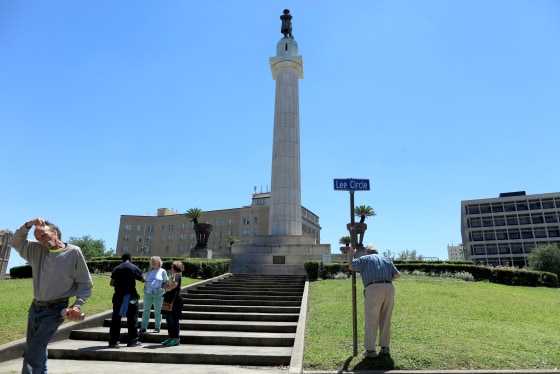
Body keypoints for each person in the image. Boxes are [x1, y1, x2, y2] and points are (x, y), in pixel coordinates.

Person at [10, 218, 93, 374]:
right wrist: (28, 225)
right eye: (38, 238)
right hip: (35, 307)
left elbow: (85, 282)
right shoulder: (36, 251)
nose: (41, 241)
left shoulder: (73, 252)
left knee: (33, 351)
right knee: (36, 347)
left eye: (43, 236)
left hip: (56, 309)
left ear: (55, 232)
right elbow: (15, 242)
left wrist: (78, 304)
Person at [348, 246, 400, 359]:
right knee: (386, 318)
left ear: (367, 251)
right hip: (389, 288)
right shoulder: (386, 259)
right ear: (377, 251)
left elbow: (351, 266)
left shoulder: (365, 258)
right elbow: (397, 275)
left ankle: (370, 350)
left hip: (373, 287)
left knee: (371, 319)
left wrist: (351, 254)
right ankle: (385, 348)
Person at [108, 253, 145, 347]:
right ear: (130, 258)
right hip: (131, 296)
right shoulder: (134, 267)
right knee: (132, 318)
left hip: (118, 296)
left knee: (116, 319)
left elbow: (112, 283)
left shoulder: (117, 268)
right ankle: (133, 341)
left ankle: (113, 341)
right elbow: (142, 280)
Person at [139, 256, 168, 334]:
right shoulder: (149, 271)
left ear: (159, 262)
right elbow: (145, 281)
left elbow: (165, 281)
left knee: (158, 311)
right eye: (152, 261)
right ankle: (143, 327)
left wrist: (164, 289)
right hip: (147, 293)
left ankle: (157, 327)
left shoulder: (162, 271)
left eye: (154, 261)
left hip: (158, 294)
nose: (152, 263)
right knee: (146, 311)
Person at [161, 260, 184, 346]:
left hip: (174, 300)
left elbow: (175, 284)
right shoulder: (173, 276)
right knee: (169, 319)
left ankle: (176, 338)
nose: (170, 267)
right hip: (169, 299)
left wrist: (167, 287)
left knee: (174, 319)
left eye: (172, 266)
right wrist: (166, 287)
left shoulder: (177, 275)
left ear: (175, 267)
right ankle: (170, 337)